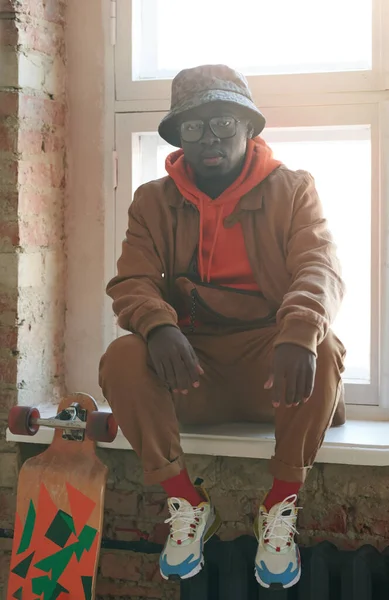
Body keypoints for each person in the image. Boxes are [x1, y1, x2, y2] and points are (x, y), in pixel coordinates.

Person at [99, 64, 346, 590]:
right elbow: (132, 280)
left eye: (223, 123)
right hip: (192, 372)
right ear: (178, 135)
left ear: (248, 127)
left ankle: (279, 504)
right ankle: (187, 501)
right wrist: (159, 328)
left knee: (325, 350)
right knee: (121, 356)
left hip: (274, 377)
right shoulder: (152, 200)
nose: (209, 139)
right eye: (193, 127)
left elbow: (319, 267)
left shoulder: (294, 188)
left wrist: (299, 331)